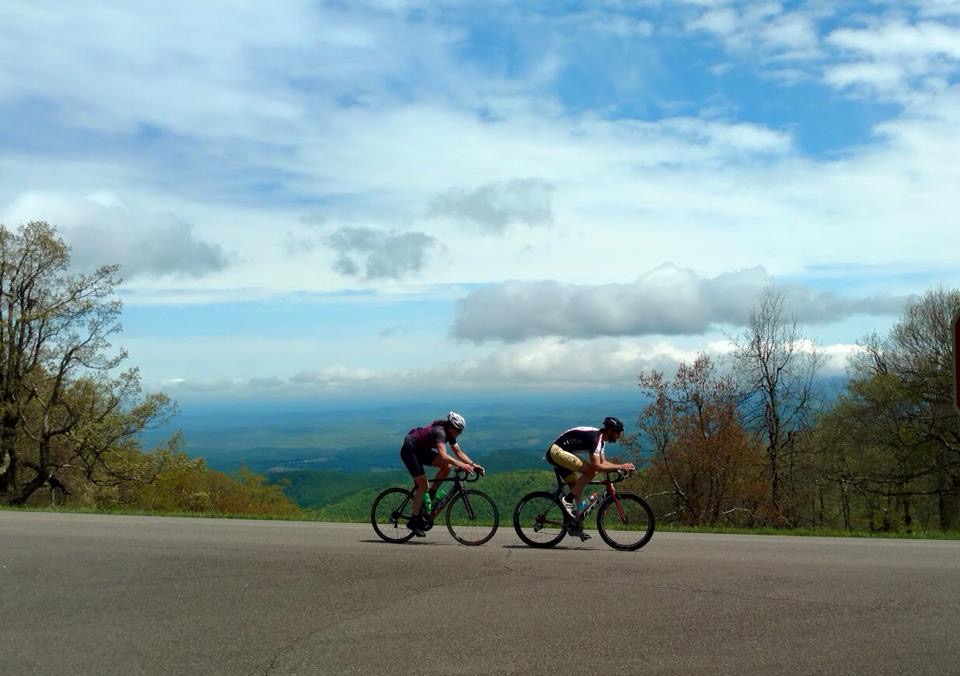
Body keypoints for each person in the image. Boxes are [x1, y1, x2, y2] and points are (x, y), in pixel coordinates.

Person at [545, 416, 634, 540]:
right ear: (610, 430)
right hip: (556, 452)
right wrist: (620, 466)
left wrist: (619, 468)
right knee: (591, 471)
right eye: (618, 432)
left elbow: (603, 462)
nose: (619, 436)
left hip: (564, 453)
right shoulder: (595, 439)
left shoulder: (601, 441)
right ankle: (567, 500)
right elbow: (597, 465)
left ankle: (574, 526)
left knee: (577, 490)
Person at [400, 411, 484, 537]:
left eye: (461, 431)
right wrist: (461, 465)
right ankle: (413, 521)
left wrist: (473, 465)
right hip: (409, 451)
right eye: (458, 431)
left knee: (447, 466)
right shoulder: (440, 432)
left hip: (420, 451)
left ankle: (431, 495)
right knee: (423, 486)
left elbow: (458, 452)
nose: (459, 433)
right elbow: (444, 455)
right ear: (451, 428)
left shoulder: (450, 433)